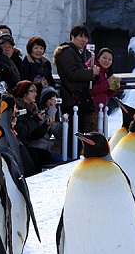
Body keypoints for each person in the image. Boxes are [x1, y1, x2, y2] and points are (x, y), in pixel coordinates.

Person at [53, 25, 100, 158]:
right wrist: (91, 72)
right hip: (72, 98)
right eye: (80, 36)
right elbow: (72, 74)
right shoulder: (66, 52)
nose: (83, 40)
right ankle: (69, 158)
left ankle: (73, 156)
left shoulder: (76, 52)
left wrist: (92, 75)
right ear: (72, 37)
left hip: (77, 98)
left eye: (86, 37)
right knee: (74, 131)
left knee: (78, 130)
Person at [12, 80, 54, 175]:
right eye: (32, 91)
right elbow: (21, 132)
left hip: (30, 145)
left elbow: (34, 136)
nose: (35, 94)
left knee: (46, 157)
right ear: (24, 93)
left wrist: (45, 125)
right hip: (20, 146)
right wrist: (36, 119)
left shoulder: (33, 108)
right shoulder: (17, 109)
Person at [86, 48, 120, 133]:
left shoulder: (105, 71)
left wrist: (114, 88)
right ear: (98, 57)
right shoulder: (92, 69)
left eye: (110, 59)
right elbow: (92, 90)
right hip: (92, 111)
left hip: (101, 110)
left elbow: (104, 93)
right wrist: (108, 82)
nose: (107, 61)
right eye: (104, 58)